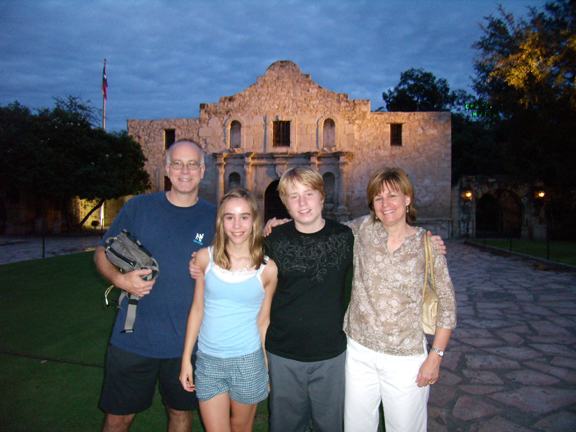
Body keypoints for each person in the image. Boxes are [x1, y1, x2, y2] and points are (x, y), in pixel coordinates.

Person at [94, 139, 217, 432]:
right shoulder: (139, 207)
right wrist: (120, 279)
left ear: (202, 170)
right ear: (166, 169)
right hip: (134, 337)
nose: (184, 171)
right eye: (177, 163)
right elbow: (102, 252)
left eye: (191, 164)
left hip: (188, 344)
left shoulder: (216, 216)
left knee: (180, 414)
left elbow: (242, 259)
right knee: (118, 417)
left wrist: (209, 265)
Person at [343, 167, 457, 432]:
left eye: (393, 196)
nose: (386, 204)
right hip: (359, 353)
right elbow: (319, 233)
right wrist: (278, 225)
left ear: (408, 199)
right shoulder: (360, 231)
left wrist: (435, 356)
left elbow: (447, 305)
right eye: (379, 198)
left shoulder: (426, 245)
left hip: (406, 358)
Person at [263, 167, 355, 432]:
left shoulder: (345, 237)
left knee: (330, 425)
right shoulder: (273, 240)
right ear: (285, 204)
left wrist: (426, 239)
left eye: (309, 194)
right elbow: (239, 266)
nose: (302, 203)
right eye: (293, 196)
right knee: (285, 426)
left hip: (330, 353)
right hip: (284, 353)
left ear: (322, 197)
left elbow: (386, 238)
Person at [179, 188, 277, 432]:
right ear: (220, 221)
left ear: (254, 220)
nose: (236, 225)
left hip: (248, 362)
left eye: (244, 216)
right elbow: (197, 309)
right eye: (229, 217)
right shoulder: (204, 258)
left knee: (241, 428)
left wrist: (265, 367)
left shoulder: (267, 269)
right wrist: (186, 360)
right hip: (209, 361)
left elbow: (263, 321)